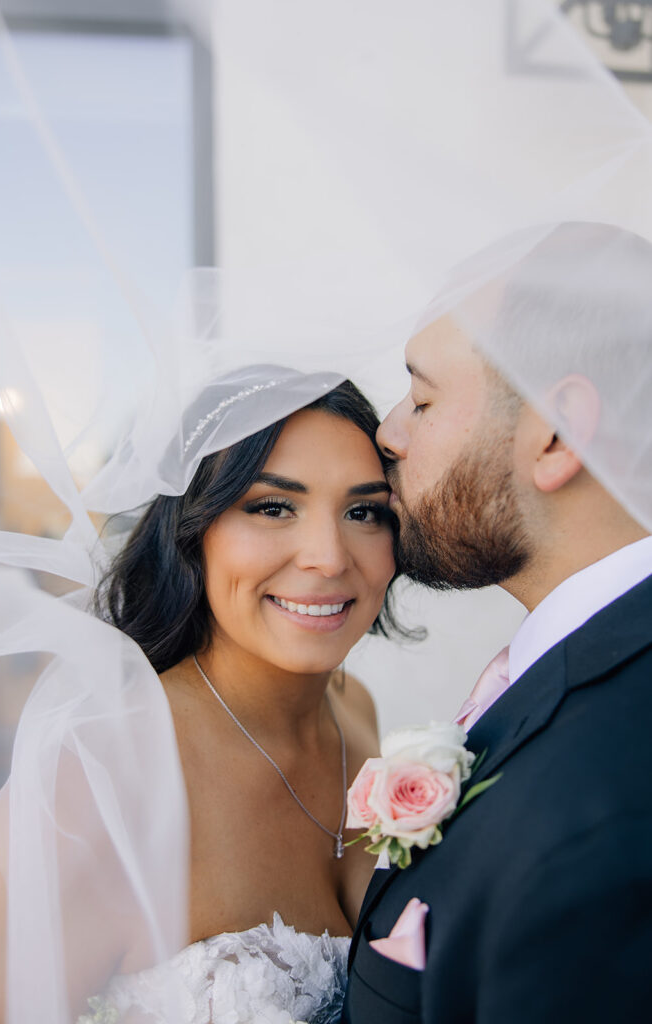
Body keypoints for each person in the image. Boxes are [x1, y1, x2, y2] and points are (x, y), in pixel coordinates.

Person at [0, 375, 402, 1024]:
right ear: (193, 531)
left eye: (363, 511)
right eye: (273, 507)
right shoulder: (100, 776)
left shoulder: (355, 712)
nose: (327, 557)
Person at [342, 221, 652, 1023]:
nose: (389, 433)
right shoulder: (583, 671)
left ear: (554, 435)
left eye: (422, 398)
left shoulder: (605, 802)